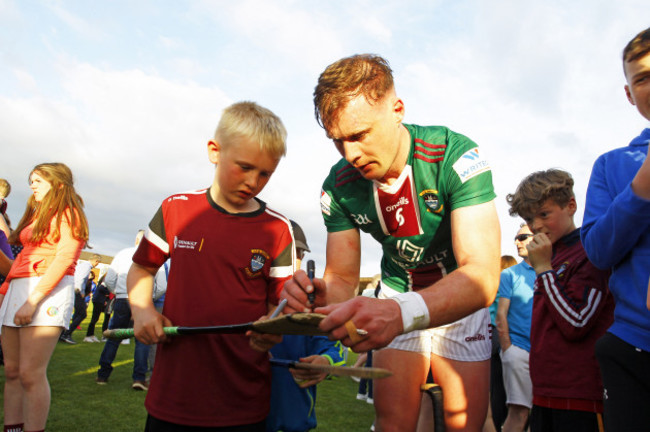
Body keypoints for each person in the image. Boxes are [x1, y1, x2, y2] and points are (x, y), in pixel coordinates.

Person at [283, 54, 501, 432]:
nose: (349, 154)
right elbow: (342, 281)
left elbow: (481, 275)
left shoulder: (455, 155)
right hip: (398, 292)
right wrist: (319, 294)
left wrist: (400, 313)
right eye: (337, 142)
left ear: (397, 110)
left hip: (457, 298)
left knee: (465, 425)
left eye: (359, 135)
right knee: (393, 425)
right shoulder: (337, 188)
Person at [127, 101, 294, 431]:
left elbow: (281, 305)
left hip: (243, 400)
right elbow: (142, 269)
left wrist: (273, 330)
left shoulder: (278, 229)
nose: (253, 181)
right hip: (172, 395)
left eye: (265, 173)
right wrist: (142, 309)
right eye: (244, 167)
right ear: (215, 151)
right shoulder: (177, 209)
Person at [507, 169, 614, 432]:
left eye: (544, 214)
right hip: (545, 390)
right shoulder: (553, 255)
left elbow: (576, 323)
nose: (537, 226)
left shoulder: (590, 252)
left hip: (580, 395)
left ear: (571, 206)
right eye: (530, 219)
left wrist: (543, 269)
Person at [581, 26, 650, 432]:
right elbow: (599, 251)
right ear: (629, 94)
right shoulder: (612, 165)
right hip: (633, 344)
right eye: (642, 77)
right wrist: (640, 189)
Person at [0, 162, 88, 432]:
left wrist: (33, 300)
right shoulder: (36, 213)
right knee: (12, 372)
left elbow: (63, 260)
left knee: (30, 374)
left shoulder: (70, 213)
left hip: (47, 293)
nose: (32, 186)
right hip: (17, 289)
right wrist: (6, 293)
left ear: (57, 184)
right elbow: (13, 246)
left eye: (37, 180)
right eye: (31, 180)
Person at [266, 220, 346, 432]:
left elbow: (334, 350)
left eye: (298, 254)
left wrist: (324, 361)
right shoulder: (247, 301)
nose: (295, 260)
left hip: (295, 421)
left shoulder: (309, 307)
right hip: (246, 419)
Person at [95, 230, 150, 390]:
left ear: (136, 240)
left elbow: (110, 279)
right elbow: (161, 284)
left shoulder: (122, 254)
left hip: (122, 299)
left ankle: (103, 374)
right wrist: (150, 297)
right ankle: (139, 378)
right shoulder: (152, 255)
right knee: (142, 340)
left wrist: (118, 292)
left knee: (114, 337)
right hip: (142, 300)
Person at [495, 225, 536, 432]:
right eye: (516, 238)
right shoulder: (509, 274)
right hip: (519, 351)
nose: (517, 242)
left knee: (546, 413)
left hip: (548, 354)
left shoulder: (556, 269)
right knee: (518, 413)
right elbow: (501, 314)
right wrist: (509, 350)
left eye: (522, 237)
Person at [59, 253, 101, 344]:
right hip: (77, 291)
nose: (97, 265)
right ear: (96, 261)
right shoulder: (86, 267)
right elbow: (80, 279)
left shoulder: (83, 266)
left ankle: (64, 334)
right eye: (97, 263)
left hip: (73, 289)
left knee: (76, 313)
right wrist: (81, 292)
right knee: (82, 314)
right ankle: (66, 334)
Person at [84, 274, 112, 342]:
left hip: (101, 301)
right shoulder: (106, 281)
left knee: (100, 318)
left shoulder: (107, 281)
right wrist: (108, 293)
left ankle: (93, 335)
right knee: (95, 318)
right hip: (98, 301)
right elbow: (101, 288)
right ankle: (88, 335)